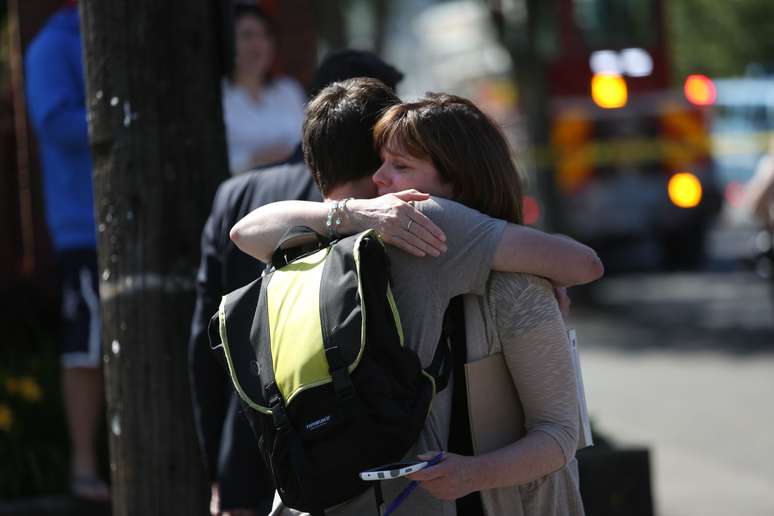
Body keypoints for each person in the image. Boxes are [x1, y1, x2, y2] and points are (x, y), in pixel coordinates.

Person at [230, 79, 602, 515]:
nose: (381, 179)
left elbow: (244, 232)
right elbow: (584, 266)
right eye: (382, 161)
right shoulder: (394, 227)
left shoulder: (324, 239)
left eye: (400, 164)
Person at [189, 53, 404, 516]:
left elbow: (203, 350)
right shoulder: (382, 209)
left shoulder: (236, 196)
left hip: (260, 444)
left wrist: (218, 469)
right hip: (368, 455)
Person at [24, 0, 109, 502]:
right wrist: (120, 117)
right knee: (86, 348)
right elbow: (54, 122)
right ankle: (83, 468)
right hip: (83, 226)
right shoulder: (52, 45)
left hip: (134, 226)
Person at [222, 4, 306, 174]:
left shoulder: (289, 90)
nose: (258, 45)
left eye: (265, 35)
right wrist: (253, 160)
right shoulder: (220, 96)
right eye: (247, 35)